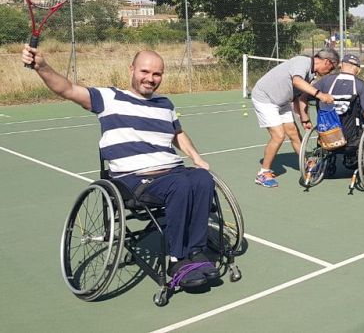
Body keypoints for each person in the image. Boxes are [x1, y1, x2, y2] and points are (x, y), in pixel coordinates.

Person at [22, 45, 219, 289]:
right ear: (132, 70)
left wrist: (196, 158)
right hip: (135, 180)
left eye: (157, 74)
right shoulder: (108, 98)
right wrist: (41, 66)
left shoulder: (165, 104)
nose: (150, 79)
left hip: (173, 171)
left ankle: (196, 251)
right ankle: (177, 259)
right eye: (145, 71)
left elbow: (177, 133)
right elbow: (68, 89)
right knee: (180, 185)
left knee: (203, 179)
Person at [251, 49, 338, 187]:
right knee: (278, 136)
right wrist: (320, 95)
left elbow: (298, 97)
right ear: (327, 62)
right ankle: (263, 173)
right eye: (331, 68)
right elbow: (297, 82)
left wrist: (304, 119)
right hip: (265, 98)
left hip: (283, 101)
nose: (329, 72)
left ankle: (305, 164)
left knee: (294, 133)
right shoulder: (302, 62)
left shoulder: (310, 75)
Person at [299, 53, 364, 173]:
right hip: (351, 141)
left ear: (341, 65)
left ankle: (329, 162)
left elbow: (302, 98)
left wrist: (305, 118)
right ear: (357, 69)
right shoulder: (360, 85)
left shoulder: (325, 81)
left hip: (327, 138)